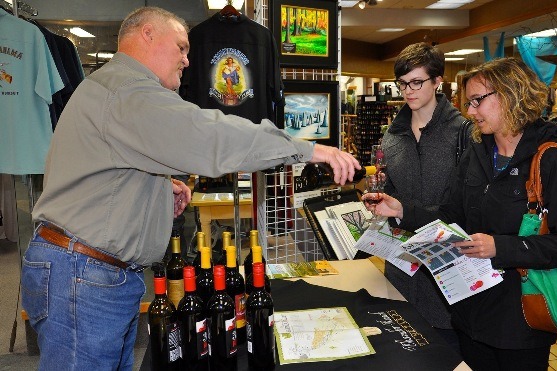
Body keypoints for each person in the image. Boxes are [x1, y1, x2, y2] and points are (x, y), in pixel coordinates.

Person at [21, 7, 359, 370]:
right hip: (84, 276)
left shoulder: (114, 89)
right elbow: (210, 135)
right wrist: (307, 149)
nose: (186, 60)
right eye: (181, 47)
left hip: (87, 271)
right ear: (147, 34)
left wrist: (159, 185)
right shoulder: (130, 91)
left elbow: (104, 166)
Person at [364, 57, 557, 370]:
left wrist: (500, 247)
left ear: (511, 95)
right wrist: (402, 210)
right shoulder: (476, 153)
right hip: (469, 313)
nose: (470, 112)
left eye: (477, 101)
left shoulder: (549, 161)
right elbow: (450, 216)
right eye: (468, 103)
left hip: (520, 321)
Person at [380, 42, 468, 349]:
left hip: (449, 270)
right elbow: (390, 188)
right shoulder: (393, 135)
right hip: (401, 268)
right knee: (403, 347)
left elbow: (465, 207)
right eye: (402, 84)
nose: (408, 91)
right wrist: (381, 203)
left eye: (417, 82)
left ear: (437, 81)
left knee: (449, 352)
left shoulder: (465, 132)